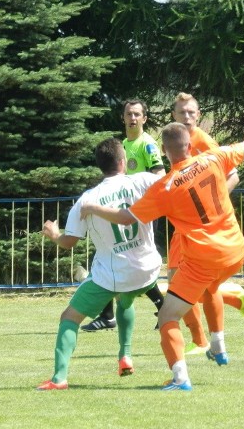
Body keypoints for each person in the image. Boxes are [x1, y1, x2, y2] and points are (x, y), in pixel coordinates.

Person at [81, 88, 244, 392]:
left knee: (168, 315)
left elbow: (128, 218)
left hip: (205, 256)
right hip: (236, 250)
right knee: (211, 290)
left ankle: (181, 379)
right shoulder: (213, 157)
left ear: (166, 152)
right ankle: (217, 346)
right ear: (190, 145)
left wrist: (93, 207)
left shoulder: (165, 187)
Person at [37, 138, 162, 390]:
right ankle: (125, 355)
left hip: (114, 274)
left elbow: (69, 242)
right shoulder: (143, 180)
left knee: (69, 317)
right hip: (149, 269)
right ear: (123, 161)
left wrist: (53, 235)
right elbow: (169, 181)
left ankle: (59, 379)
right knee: (125, 300)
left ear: (99, 166)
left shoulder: (87, 199)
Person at [170, 92, 244, 357]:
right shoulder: (173, 138)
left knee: (184, 285)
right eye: (182, 112)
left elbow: (233, 176)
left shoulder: (204, 141)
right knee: (178, 283)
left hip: (203, 227)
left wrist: (209, 205)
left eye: (191, 112)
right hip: (184, 226)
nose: (187, 117)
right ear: (173, 115)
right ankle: (232, 303)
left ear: (198, 115)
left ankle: (203, 342)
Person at [81, 99, 166, 332]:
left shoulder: (147, 144)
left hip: (139, 212)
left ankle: (113, 315)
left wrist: (145, 202)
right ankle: (112, 314)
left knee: (126, 258)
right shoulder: (125, 144)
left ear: (145, 119)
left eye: (138, 114)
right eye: (129, 114)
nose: (133, 118)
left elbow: (160, 174)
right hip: (123, 210)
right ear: (123, 117)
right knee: (120, 258)